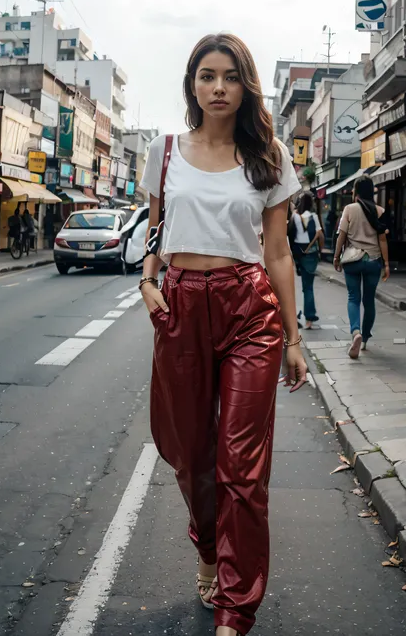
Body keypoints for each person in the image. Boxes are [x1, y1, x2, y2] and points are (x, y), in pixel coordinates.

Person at [139, 33, 307, 636]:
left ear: (246, 85)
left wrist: (292, 338)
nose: (217, 87)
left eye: (230, 77)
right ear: (191, 84)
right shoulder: (162, 153)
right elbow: (155, 234)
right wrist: (148, 282)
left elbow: (279, 252)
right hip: (181, 305)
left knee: (242, 463)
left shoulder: (270, 157)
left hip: (248, 310)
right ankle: (208, 547)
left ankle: (237, 607)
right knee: (191, 454)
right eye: (206, 76)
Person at [333, 175, 390, 359]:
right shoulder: (379, 211)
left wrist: (336, 257)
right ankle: (364, 339)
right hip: (373, 260)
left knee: (353, 298)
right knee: (369, 300)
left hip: (352, 260)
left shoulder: (349, 209)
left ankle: (355, 332)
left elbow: (341, 235)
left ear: (356, 191)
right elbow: (383, 240)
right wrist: (387, 264)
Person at [289, 192, 323, 330]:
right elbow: (320, 234)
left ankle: (307, 315)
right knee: (308, 287)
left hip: (298, 254)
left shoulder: (295, 216)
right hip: (311, 253)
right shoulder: (313, 216)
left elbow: (290, 233)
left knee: (304, 286)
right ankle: (309, 317)